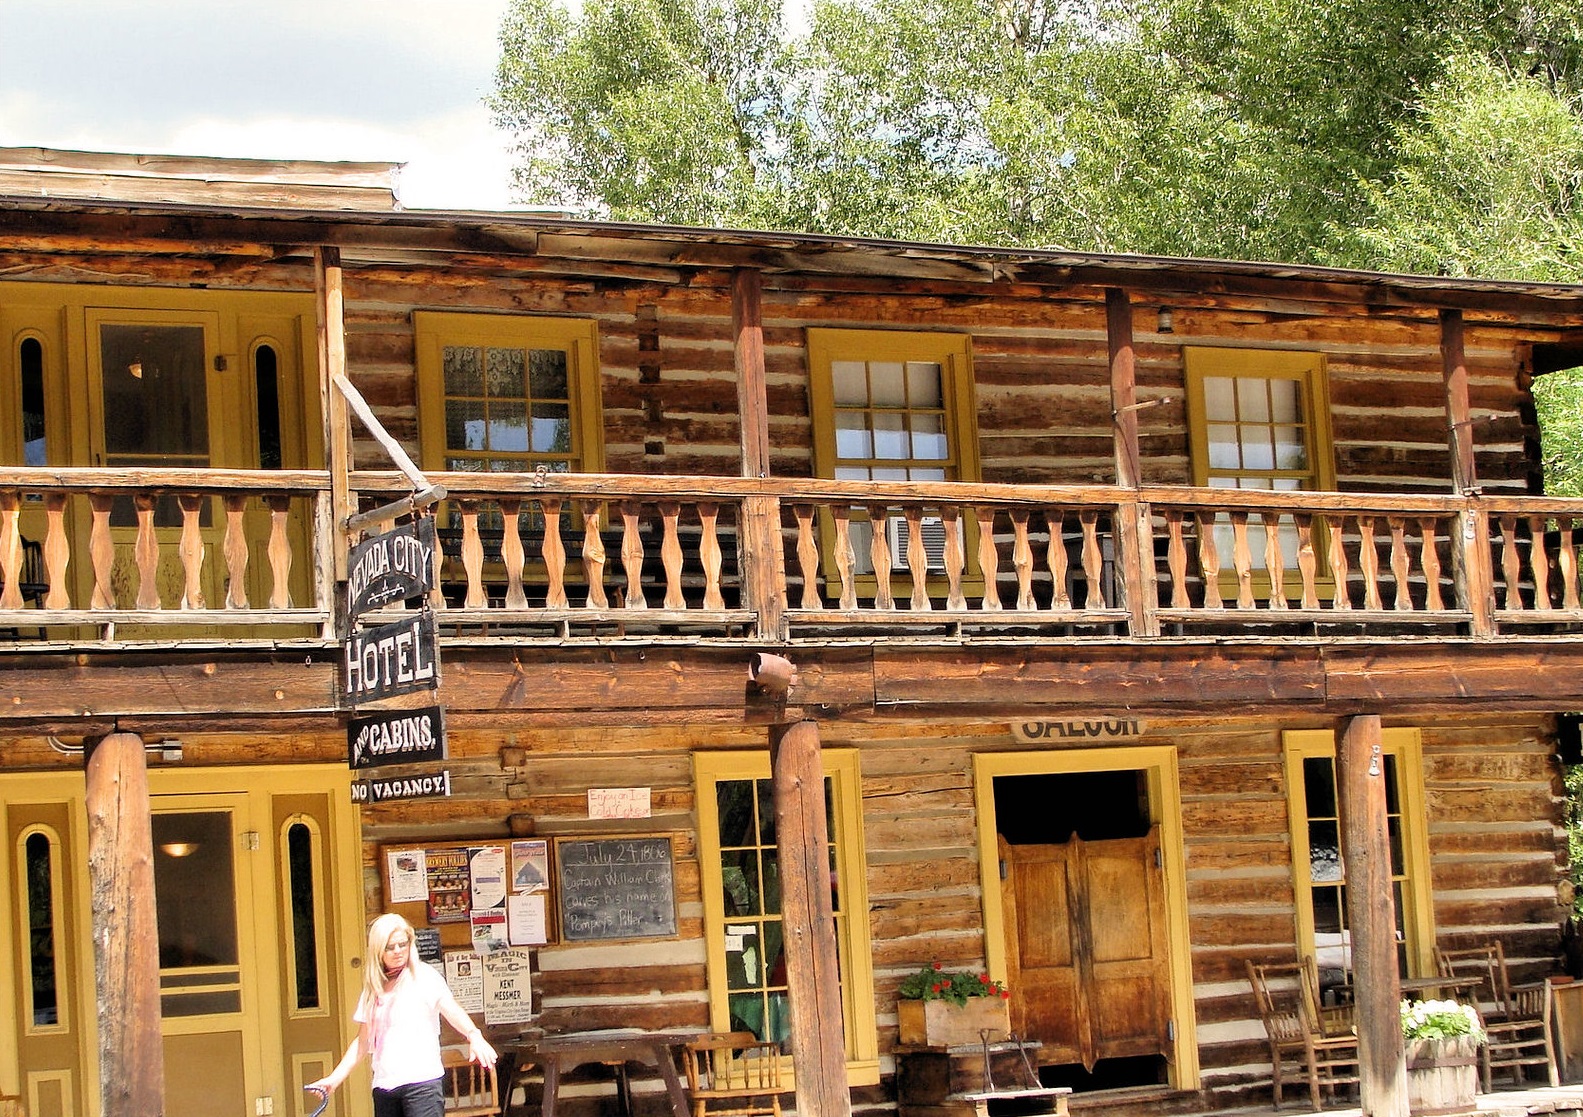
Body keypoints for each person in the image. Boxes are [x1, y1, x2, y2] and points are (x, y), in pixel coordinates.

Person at [308, 913, 498, 1117]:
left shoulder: (423, 976)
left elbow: (450, 1009)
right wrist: (334, 1079)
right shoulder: (374, 988)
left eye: (403, 944)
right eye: (390, 947)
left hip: (421, 1083)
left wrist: (473, 1034)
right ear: (378, 950)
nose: (398, 951)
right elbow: (363, 1041)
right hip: (384, 1085)